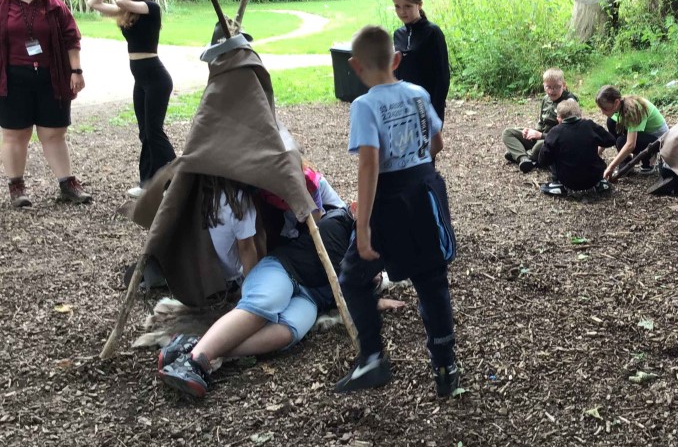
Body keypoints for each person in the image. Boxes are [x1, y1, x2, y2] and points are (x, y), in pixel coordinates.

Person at [334, 25, 460, 398]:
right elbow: (437, 143)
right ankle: (445, 366)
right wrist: (415, 165)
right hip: (424, 191)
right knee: (431, 280)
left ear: (355, 66)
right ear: (397, 59)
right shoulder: (419, 94)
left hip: (388, 200)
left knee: (353, 277)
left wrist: (363, 226)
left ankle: (372, 358)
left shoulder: (365, 105)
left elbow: (369, 165)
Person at [158, 207, 364, 399]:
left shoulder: (369, 250)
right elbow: (345, 278)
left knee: (289, 331)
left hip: (310, 297)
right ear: (354, 208)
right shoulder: (338, 223)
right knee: (266, 305)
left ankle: (196, 345)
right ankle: (193, 361)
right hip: (284, 269)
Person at [0, 0, 91, 207]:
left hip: (51, 76)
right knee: (15, 134)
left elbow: (72, 38)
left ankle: (67, 184)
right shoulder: (2, 3)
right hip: (13, 77)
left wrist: (76, 71)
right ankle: (17, 187)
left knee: (54, 132)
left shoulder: (53, 4)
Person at [86, 0, 175, 197]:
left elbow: (122, 1)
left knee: (154, 132)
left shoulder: (150, 8)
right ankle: (148, 184)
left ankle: (176, 182)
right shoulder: (127, 11)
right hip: (141, 80)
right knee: (145, 133)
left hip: (156, 79)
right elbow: (93, 3)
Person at [392, 0, 450, 123]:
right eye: (397, 6)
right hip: (404, 105)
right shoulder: (398, 34)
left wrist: (435, 110)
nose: (402, 12)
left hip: (428, 104)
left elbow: (442, 75)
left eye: (407, 6)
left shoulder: (432, 32)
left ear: (419, 5)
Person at [501, 67, 577, 172]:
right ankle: (523, 158)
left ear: (563, 85)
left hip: (556, 142)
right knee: (508, 133)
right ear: (544, 86)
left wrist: (541, 136)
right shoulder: (546, 99)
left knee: (539, 146)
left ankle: (520, 154)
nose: (552, 91)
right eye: (548, 87)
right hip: (541, 136)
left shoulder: (569, 102)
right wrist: (531, 132)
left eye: (556, 87)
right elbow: (541, 122)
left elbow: (570, 133)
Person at [535, 99, 616, 195]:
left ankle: (558, 183)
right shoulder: (589, 126)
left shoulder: (555, 132)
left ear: (559, 118)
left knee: (552, 152)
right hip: (593, 178)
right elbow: (610, 140)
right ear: (580, 114)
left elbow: (543, 160)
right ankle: (600, 183)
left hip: (568, 181)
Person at [199, 175, 259, 291]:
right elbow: (246, 249)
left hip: (203, 280)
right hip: (231, 280)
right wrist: (253, 289)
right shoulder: (237, 199)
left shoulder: (194, 195)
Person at [595, 85, 668, 178]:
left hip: (660, 140)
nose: (602, 112)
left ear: (616, 102)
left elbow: (630, 145)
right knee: (611, 122)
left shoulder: (632, 110)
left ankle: (648, 161)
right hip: (644, 134)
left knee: (621, 141)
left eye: (604, 108)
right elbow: (611, 134)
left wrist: (611, 167)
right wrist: (596, 154)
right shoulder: (620, 106)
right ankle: (626, 161)